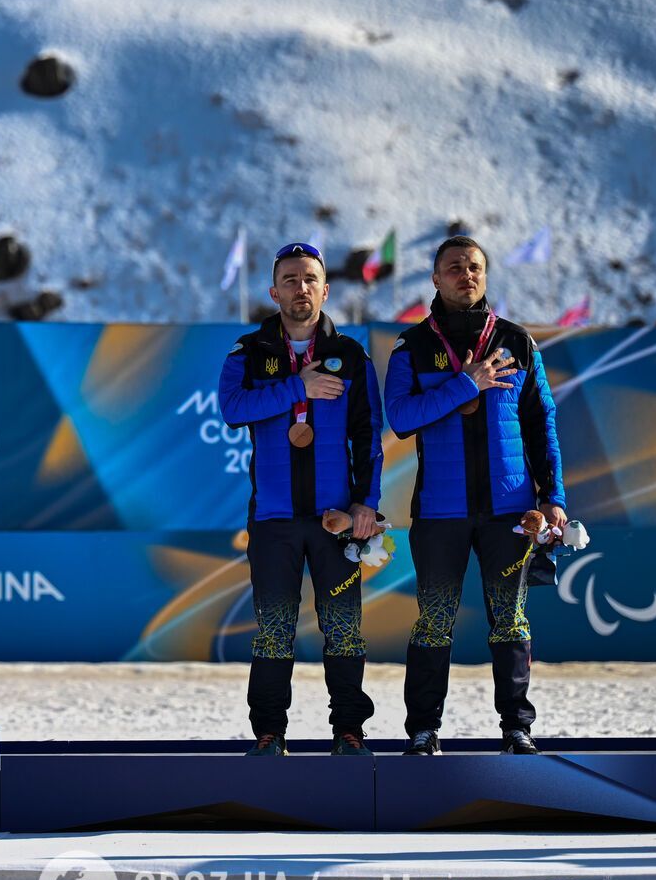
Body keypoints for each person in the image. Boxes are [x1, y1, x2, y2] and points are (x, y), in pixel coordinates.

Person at [386, 235, 565, 756]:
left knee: (510, 621)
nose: (467, 275)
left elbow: (542, 424)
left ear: (485, 276)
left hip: (510, 511)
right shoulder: (411, 345)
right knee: (434, 622)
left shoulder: (517, 342)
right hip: (439, 512)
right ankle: (424, 730)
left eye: (475, 267)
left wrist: (553, 496)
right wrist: (466, 384)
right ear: (435, 278)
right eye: (455, 267)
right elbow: (401, 418)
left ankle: (516, 728)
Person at [217, 242, 384, 756]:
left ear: (325, 289)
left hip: (336, 520)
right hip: (274, 520)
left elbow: (368, 436)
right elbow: (232, 408)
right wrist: (298, 387)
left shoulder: (351, 355)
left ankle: (349, 732)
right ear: (274, 292)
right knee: (273, 631)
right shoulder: (248, 352)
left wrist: (365, 504)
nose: (300, 287)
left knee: (344, 631)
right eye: (290, 279)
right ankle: (270, 734)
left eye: (310, 278)